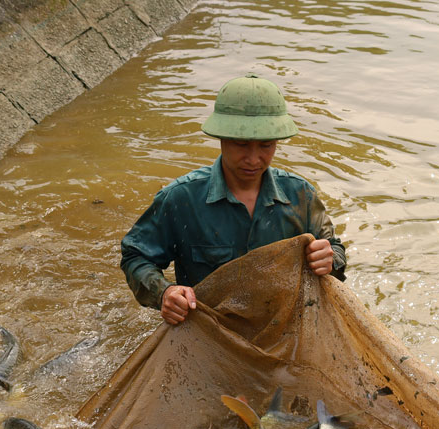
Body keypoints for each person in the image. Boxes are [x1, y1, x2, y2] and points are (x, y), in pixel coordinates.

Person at [120, 74, 347, 325]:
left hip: (282, 326)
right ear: (221, 139)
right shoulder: (181, 199)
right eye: (240, 145)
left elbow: (334, 248)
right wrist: (165, 292)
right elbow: (136, 256)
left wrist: (330, 259)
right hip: (208, 330)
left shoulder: (300, 195)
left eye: (266, 146)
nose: (253, 159)